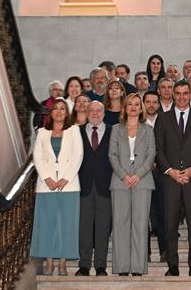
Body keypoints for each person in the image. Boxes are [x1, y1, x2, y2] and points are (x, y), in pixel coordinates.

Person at [154, 79, 191, 277]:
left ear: (190, 94)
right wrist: (170, 170)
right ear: (172, 95)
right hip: (170, 180)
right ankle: (173, 266)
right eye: (178, 93)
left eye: (185, 93)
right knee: (170, 225)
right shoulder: (163, 118)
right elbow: (159, 149)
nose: (182, 97)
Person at [30, 98, 84, 276]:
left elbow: (78, 156)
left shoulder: (74, 130)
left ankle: (62, 264)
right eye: (56, 109)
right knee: (47, 224)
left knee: (66, 224)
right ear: (50, 113)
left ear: (67, 113)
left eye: (63, 108)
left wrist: (65, 179)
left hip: (69, 186)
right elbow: (37, 156)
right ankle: (50, 263)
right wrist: (47, 178)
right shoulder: (43, 133)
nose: (59, 112)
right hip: (46, 186)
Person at [109, 93, 156, 276]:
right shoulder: (115, 129)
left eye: (137, 104)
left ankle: (137, 267)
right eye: (130, 104)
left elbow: (152, 154)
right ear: (125, 107)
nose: (134, 107)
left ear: (141, 108)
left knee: (140, 224)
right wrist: (123, 175)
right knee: (120, 225)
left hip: (142, 182)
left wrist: (137, 175)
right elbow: (112, 155)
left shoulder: (148, 129)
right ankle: (121, 267)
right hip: (120, 182)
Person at [75, 101, 113, 277]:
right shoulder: (78, 131)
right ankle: (83, 265)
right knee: (84, 228)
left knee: (103, 228)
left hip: (106, 186)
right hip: (84, 186)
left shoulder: (114, 131)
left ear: (104, 113)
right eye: (91, 110)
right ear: (87, 112)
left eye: (98, 110)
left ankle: (100, 266)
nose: (95, 113)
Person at [143, 90, 166, 262]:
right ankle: (145, 253)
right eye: (148, 102)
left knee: (162, 214)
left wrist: (159, 162)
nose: (151, 105)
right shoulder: (137, 121)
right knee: (143, 215)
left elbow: (170, 145)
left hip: (162, 174)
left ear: (159, 104)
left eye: (154, 102)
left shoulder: (166, 121)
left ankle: (164, 251)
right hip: (141, 174)